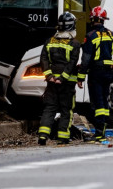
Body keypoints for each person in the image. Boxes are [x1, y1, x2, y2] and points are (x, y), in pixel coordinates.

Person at [77, 6, 113, 144]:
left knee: (97, 103)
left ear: (92, 20)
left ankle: (99, 135)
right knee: (104, 101)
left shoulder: (90, 36)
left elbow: (85, 60)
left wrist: (80, 77)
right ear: (103, 20)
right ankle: (101, 132)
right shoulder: (111, 35)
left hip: (96, 73)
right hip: (109, 73)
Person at [38, 11, 80, 145]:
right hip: (66, 84)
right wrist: (62, 78)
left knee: (49, 108)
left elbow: (43, 59)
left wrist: (49, 76)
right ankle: (63, 137)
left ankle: (43, 136)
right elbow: (72, 63)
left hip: (51, 82)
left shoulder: (49, 41)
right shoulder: (74, 44)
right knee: (66, 110)